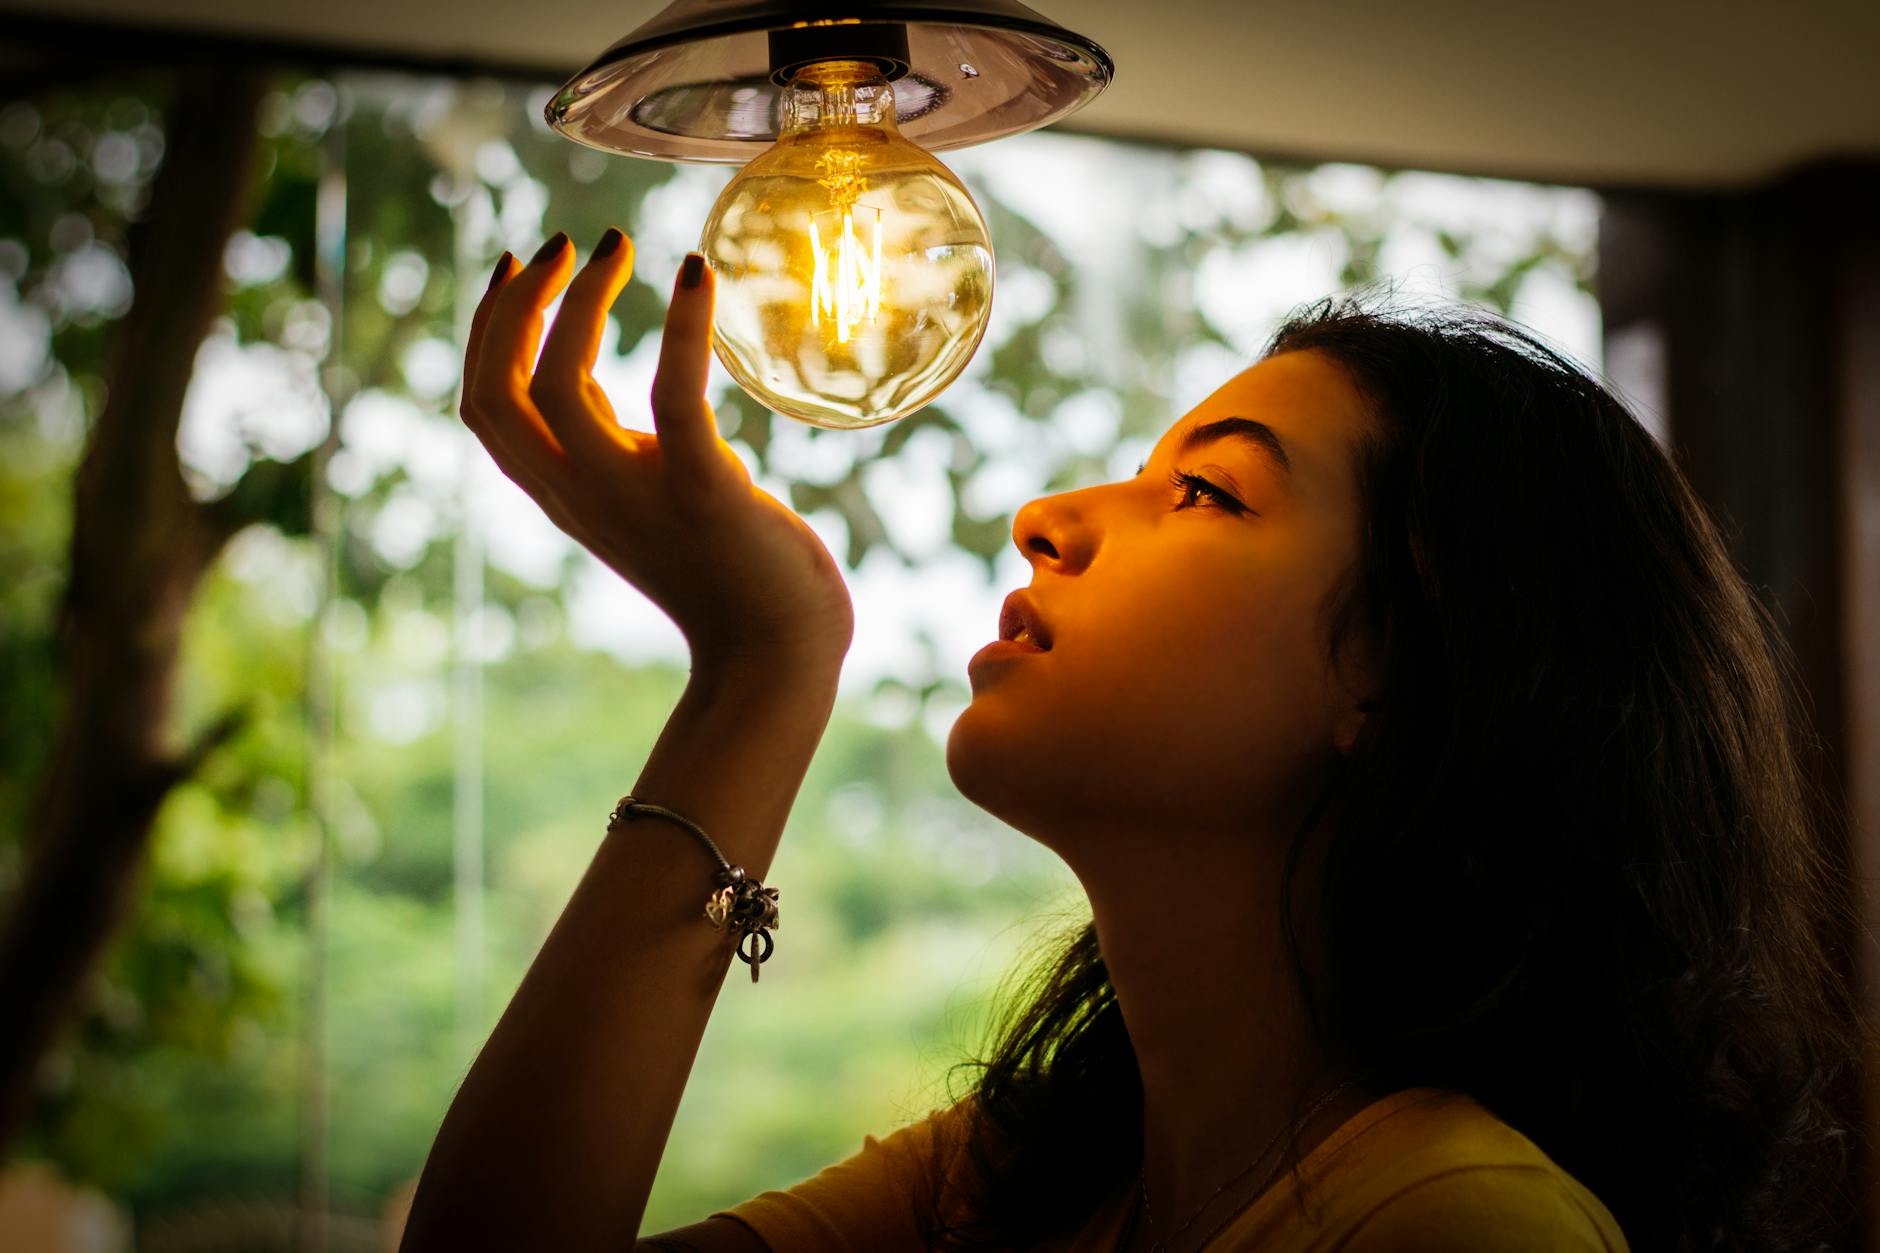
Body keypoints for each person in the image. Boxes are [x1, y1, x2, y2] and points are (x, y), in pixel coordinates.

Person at [399, 227, 1870, 1252]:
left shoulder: (1461, 1220)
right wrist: (761, 664)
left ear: (1394, 669)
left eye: (1207, 493)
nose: (1049, 517)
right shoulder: (1031, 1174)